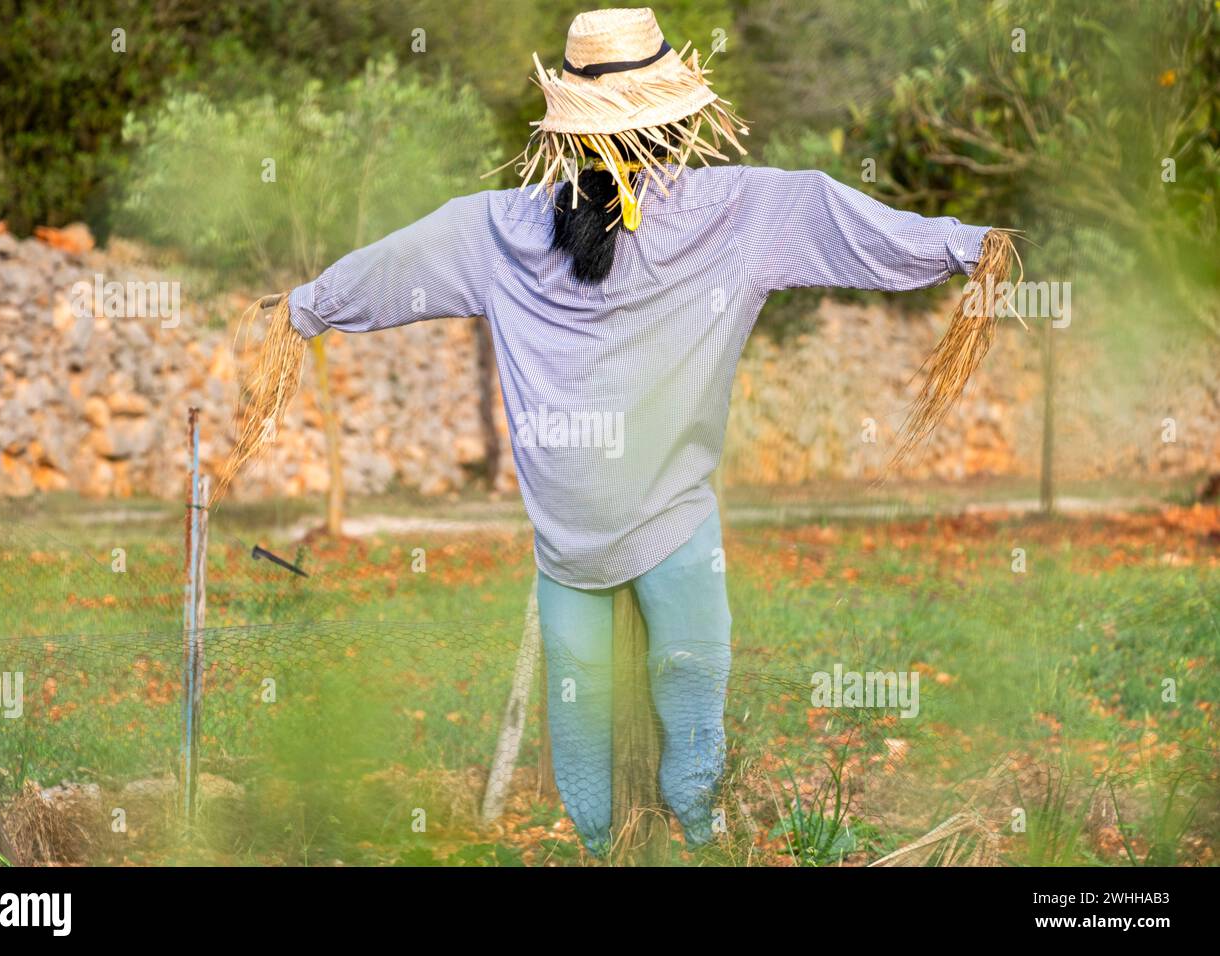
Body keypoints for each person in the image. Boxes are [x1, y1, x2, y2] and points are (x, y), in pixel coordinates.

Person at [244, 7, 1012, 858]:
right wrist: (962, 245)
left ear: (565, 134)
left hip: (567, 546)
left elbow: (395, 265)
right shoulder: (733, 212)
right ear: (677, 121)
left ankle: (620, 848)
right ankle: (698, 834)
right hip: (671, 527)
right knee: (689, 713)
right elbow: (829, 213)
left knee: (585, 751)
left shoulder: (498, 227)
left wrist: (304, 308)